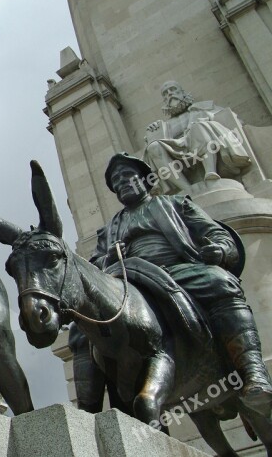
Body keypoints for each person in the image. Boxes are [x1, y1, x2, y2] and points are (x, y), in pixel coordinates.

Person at [91, 153, 272, 416]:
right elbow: (95, 264)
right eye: (115, 180)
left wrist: (219, 250)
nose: (121, 183)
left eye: (127, 175)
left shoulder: (175, 204)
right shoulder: (108, 230)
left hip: (177, 271)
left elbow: (216, 234)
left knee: (221, 282)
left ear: (145, 179)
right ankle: (96, 408)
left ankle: (252, 371)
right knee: (82, 327)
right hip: (130, 282)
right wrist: (107, 257)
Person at [143, 80, 250, 193]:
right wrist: (151, 135)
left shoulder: (202, 108)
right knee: (153, 147)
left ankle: (211, 172)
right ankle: (187, 189)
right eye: (165, 93)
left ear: (182, 92)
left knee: (198, 127)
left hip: (205, 144)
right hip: (180, 159)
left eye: (173, 89)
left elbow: (232, 120)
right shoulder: (166, 125)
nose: (169, 94)